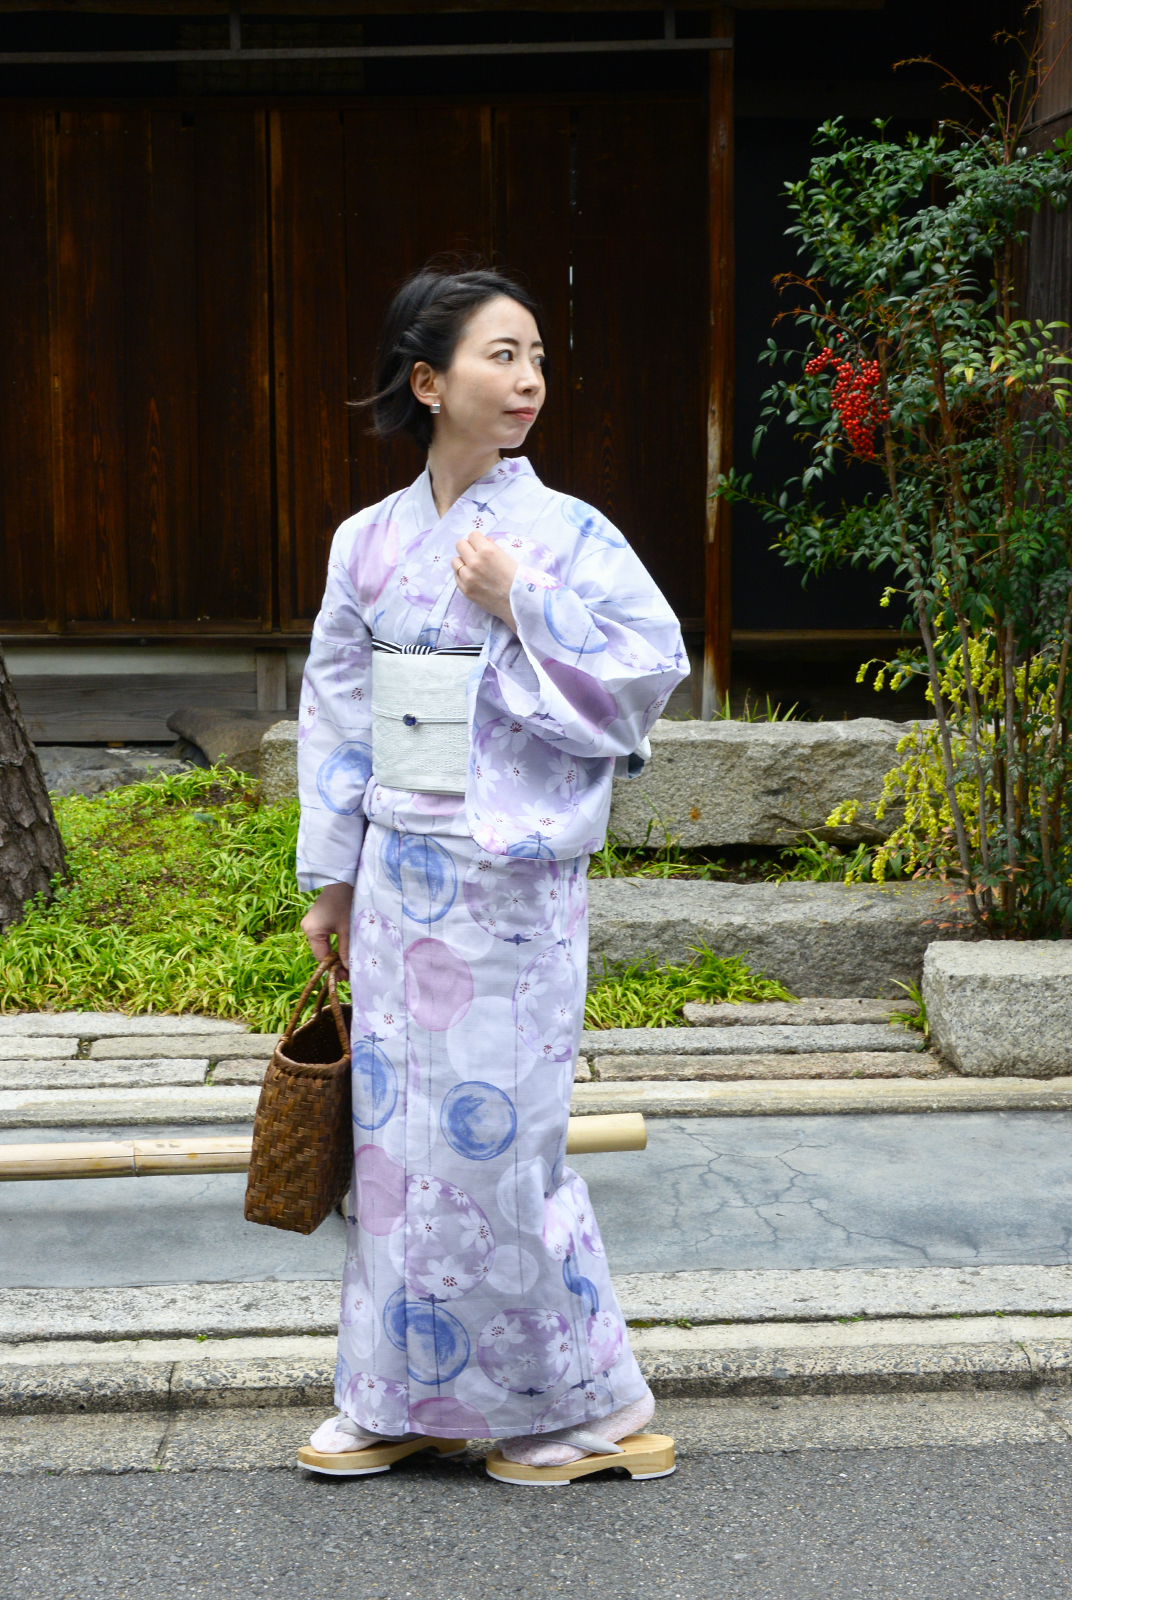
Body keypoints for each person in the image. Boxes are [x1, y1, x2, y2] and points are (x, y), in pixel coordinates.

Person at [292, 266, 688, 1485]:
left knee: (503, 1152)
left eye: (536, 360)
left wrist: (527, 604)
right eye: (500, 357)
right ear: (428, 382)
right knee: (395, 1152)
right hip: (399, 874)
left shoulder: (569, 535)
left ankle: (564, 1405)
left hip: (510, 880)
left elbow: (648, 667)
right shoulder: (366, 542)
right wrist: (330, 877)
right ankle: (398, 1393)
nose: (528, 382)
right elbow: (337, 709)